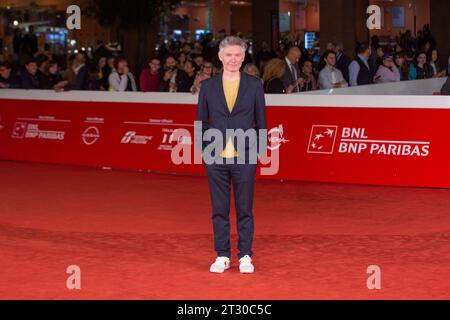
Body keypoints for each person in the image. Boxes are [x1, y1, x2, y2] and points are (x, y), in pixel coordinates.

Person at [196, 36, 267, 274]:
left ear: (244, 56)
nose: (233, 59)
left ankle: (245, 255)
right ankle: (223, 255)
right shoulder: (207, 86)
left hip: (245, 156)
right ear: (220, 56)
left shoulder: (255, 84)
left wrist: (259, 151)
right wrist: (205, 151)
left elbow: (262, 121)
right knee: (219, 208)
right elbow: (201, 122)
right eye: (229, 55)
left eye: (237, 55)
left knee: (245, 208)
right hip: (215, 157)